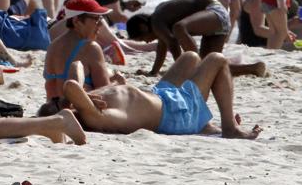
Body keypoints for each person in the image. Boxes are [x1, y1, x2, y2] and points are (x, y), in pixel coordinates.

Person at [61, 51, 260, 139]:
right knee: (217, 59)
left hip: (161, 95)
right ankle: (230, 127)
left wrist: (73, 98)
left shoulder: (88, 100)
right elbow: (71, 84)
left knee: (190, 57)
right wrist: (69, 98)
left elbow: (76, 65)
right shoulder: (94, 116)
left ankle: (206, 124)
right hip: (175, 114)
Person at [125, 0, 264, 76]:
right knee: (209, 67)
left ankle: (193, 65)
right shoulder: (160, 24)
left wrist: (181, 69)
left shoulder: (156, 20)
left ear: (143, 27)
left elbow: (173, 44)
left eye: (142, 39)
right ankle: (253, 68)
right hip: (218, 22)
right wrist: (153, 72)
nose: (146, 41)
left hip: (215, 12)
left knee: (179, 27)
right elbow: (161, 49)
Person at [42, 0, 120, 103]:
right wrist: (117, 82)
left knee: (109, 73)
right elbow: (106, 93)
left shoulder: (53, 46)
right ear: (77, 21)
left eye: (101, 18)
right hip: (78, 111)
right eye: (96, 19)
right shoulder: (91, 48)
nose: (100, 24)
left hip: (52, 108)